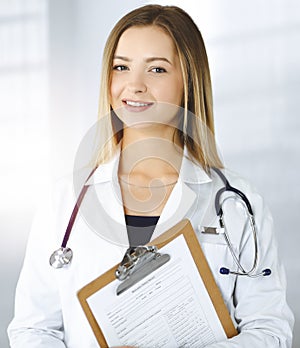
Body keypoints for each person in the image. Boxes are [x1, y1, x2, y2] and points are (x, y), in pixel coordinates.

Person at [8, 4, 294, 348]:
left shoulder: (238, 205)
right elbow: (32, 331)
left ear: (188, 80)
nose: (135, 85)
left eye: (157, 69)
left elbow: (270, 330)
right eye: (121, 67)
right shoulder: (64, 201)